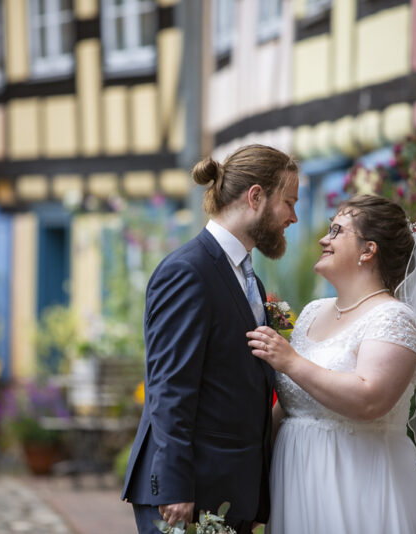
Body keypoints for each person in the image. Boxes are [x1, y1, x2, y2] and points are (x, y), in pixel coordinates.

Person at [247, 195, 416, 533]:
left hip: (361, 481)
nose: (324, 239)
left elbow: (370, 399)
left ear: (368, 250)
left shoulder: (394, 317)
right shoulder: (311, 312)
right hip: (297, 477)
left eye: (336, 231)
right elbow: (296, 403)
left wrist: (291, 362)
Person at [121, 144, 300, 534]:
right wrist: (175, 485)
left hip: (229, 489)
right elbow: (170, 386)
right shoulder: (187, 272)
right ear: (256, 197)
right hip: (188, 494)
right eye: (288, 202)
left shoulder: (250, 278)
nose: (294, 216)